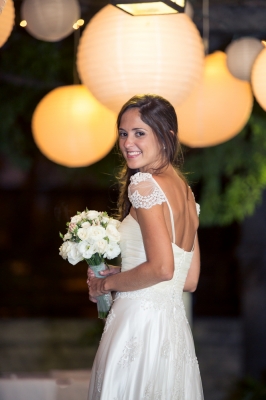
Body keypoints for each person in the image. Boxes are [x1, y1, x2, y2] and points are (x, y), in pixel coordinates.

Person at [87, 94, 204, 399]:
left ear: (167, 136)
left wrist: (106, 284)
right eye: (123, 134)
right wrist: (121, 270)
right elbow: (187, 279)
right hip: (172, 329)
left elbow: (162, 269)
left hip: (138, 326)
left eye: (140, 133)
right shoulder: (187, 194)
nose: (128, 143)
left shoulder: (144, 185)